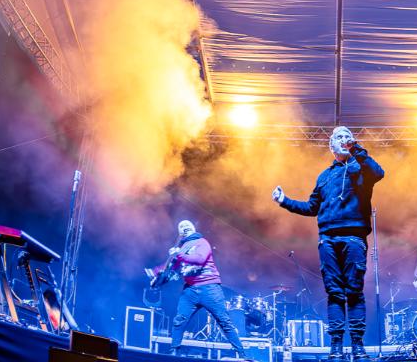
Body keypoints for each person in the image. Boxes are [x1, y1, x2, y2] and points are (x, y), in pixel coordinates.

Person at [273, 127, 385, 362]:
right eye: (338, 137)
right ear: (331, 145)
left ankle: (357, 346)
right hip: (328, 240)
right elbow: (311, 208)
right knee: (334, 293)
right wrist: (284, 201)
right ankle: (336, 347)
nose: (343, 139)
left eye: (346, 136)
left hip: (353, 237)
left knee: (353, 291)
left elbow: (379, 173)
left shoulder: (361, 167)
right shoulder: (324, 176)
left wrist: (355, 149)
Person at [145, 219, 249, 360]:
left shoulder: (202, 242)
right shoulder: (181, 249)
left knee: (224, 321)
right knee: (179, 320)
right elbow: (172, 272)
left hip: (210, 287)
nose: (184, 227)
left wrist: (178, 254)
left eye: (186, 226)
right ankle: (174, 352)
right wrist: (157, 276)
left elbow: (199, 259)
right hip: (190, 290)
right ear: (180, 233)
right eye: (182, 227)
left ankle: (242, 355)